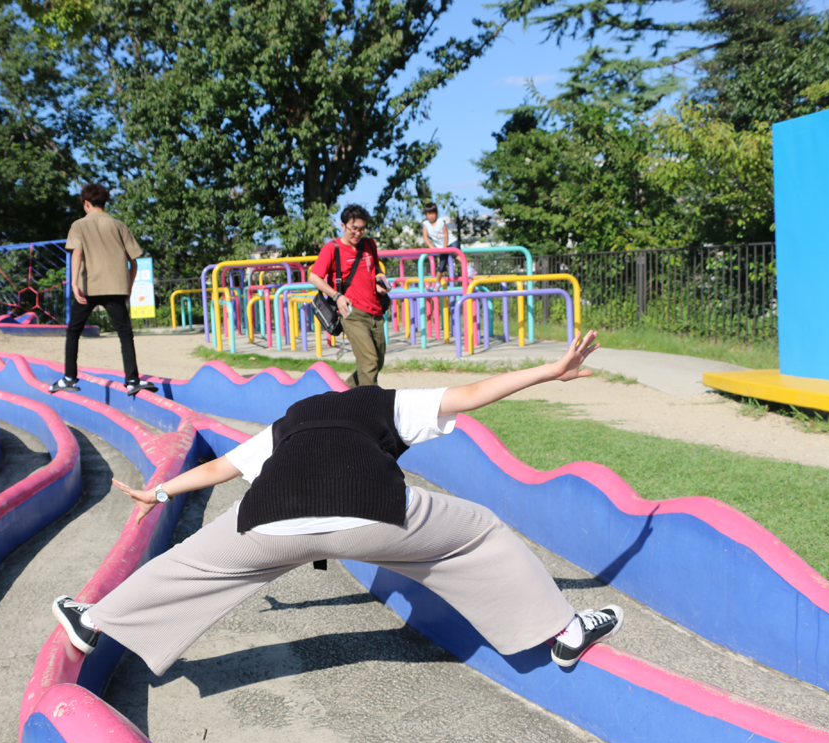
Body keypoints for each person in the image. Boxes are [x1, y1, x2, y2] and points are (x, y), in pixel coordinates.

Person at [53, 331, 624, 677]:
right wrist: (551, 370)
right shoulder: (383, 401)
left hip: (270, 522)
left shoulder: (288, 423)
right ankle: (564, 630)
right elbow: (473, 395)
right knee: (482, 532)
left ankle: (93, 620)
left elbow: (219, 469)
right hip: (371, 513)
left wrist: (159, 491)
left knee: (193, 563)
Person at [51, 183, 156, 396]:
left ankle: (69, 378)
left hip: (88, 288)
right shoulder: (119, 225)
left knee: (73, 332)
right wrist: (128, 287)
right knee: (125, 333)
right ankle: (132, 380)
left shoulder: (78, 225)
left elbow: (77, 253)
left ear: (86, 203)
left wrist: (74, 284)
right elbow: (134, 261)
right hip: (115, 288)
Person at [308, 204, 391, 387]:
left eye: (362, 229)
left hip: (376, 310)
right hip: (352, 313)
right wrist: (337, 296)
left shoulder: (369, 244)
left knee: (376, 362)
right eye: (354, 228)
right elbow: (313, 277)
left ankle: (342, 394)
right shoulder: (332, 248)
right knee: (369, 363)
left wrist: (380, 282)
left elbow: (375, 269)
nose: (358, 233)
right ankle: (370, 403)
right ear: (343, 225)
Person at [420, 202, 457, 281]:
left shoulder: (441, 221)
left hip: (450, 242)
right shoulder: (426, 224)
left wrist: (445, 247)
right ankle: (437, 282)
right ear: (426, 215)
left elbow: (445, 234)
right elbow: (425, 236)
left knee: (457, 254)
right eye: (429, 214)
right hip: (441, 247)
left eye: (433, 213)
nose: (431, 216)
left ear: (436, 213)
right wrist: (431, 246)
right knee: (441, 266)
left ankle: (468, 267)